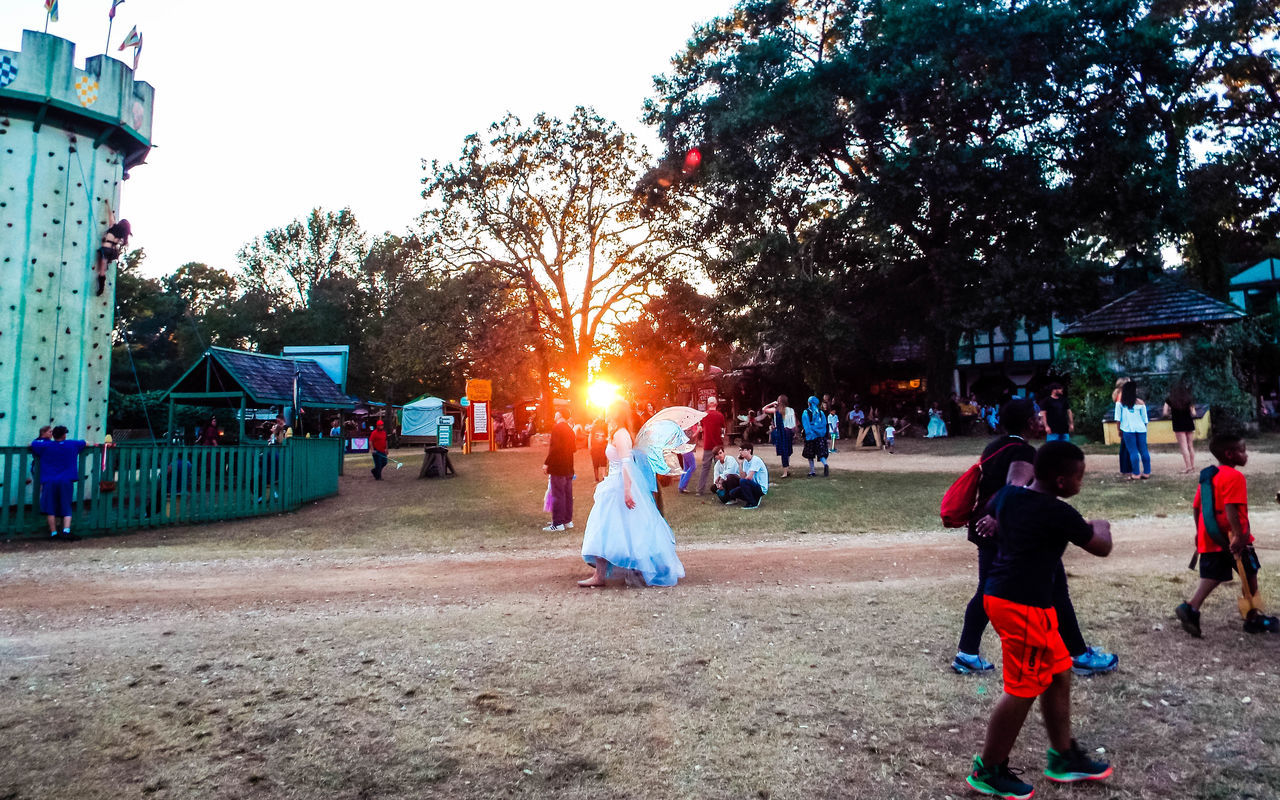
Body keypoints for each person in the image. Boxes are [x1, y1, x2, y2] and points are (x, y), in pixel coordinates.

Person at [965, 441, 1114, 798]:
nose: (1082, 481)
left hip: (1020, 600)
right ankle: (989, 770)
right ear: (1061, 481)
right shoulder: (1057, 512)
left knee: (1060, 671)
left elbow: (993, 509)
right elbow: (1100, 545)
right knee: (1024, 687)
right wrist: (1103, 526)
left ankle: (1063, 757)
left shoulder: (1008, 496)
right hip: (1021, 604)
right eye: (1080, 476)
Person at [953, 399, 1119, 678]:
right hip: (1012, 529)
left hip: (991, 524)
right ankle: (1078, 655)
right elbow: (1015, 486)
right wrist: (998, 518)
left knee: (990, 589)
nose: (1041, 420)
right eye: (1036, 416)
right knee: (1055, 590)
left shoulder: (996, 445)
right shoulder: (1023, 450)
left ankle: (967, 653)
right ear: (1029, 422)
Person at [578, 400, 684, 588]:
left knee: (615, 527)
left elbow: (627, 464)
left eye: (609, 410)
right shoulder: (617, 433)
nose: (606, 413)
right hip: (612, 484)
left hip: (620, 485)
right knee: (605, 527)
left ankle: (610, 573)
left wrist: (627, 491)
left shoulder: (621, 434)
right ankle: (600, 574)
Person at [1175, 434, 1271, 636]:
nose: (1246, 455)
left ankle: (1191, 608)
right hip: (1234, 538)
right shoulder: (1235, 477)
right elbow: (1231, 509)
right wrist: (1239, 536)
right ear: (1230, 454)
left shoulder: (1209, 476)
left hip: (1211, 536)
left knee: (1212, 575)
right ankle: (1253, 618)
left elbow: (1197, 507)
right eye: (1242, 450)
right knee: (1250, 573)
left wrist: (1198, 532)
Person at [29, 426, 89, 541]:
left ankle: (54, 533)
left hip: (49, 480)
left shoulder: (45, 445)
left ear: (53, 435)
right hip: (66, 480)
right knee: (66, 505)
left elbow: (32, 444)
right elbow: (85, 442)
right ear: (64, 435)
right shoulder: (72, 444)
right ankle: (66, 531)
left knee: (50, 507)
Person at [542, 410, 576, 531]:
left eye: (556, 413)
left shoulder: (557, 428)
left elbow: (554, 448)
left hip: (558, 466)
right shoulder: (570, 430)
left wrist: (547, 463)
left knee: (558, 494)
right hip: (568, 466)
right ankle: (567, 520)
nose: (554, 415)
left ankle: (557, 523)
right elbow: (573, 449)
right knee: (567, 494)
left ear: (560, 415)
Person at [1115, 381, 1151, 480]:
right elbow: (1145, 419)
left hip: (1127, 430)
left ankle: (1136, 473)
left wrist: (1119, 430)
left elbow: (1118, 419)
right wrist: (1144, 428)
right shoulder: (1141, 403)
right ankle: (1147, 472)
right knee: (1144, 451)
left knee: (1133, 452)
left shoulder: (1120, 404)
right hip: (1141, 430)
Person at [95, 203, 131, 296]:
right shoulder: (122, 234)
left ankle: (101, 288)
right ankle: (101, 286)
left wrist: (107, 204)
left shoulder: (113, 226)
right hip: (112, 252)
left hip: (105, 249)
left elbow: (110, 216)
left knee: (102, 270)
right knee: (103, 269)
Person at [1164, 381, 1197, 474]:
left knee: (1184, 446)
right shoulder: (1189, 398)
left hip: (1178, 424)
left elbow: (1165, 413)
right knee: (1190, 445)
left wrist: (1171, 412)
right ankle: (1193, 466)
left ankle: (1188, 467)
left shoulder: (1169, 399)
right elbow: (1194, 413)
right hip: (1189, 423)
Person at [695, 396, 726, 495]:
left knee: (705, 468)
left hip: (707, 445)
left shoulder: (704, 415)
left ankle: (700, 490)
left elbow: (700, 428)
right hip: (718, 445)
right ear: (716, 404)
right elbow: (723, 430)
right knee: (721, 468)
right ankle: (721, 488)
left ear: (708, 404)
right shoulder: (720, 415)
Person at [761, 396, 796, 478]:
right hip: (788, 431)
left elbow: (764, 409)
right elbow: (793, 422)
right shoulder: (790, 410)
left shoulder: (776, 410)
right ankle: (786, 470)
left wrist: (772, 403)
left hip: (781, 432)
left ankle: (785, 472)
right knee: (787, 451)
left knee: (784, 451)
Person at [729, 442, 769, 509]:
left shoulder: (755, 460)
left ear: (749, 451)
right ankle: (752, 498)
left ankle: (753, 503)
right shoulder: (745, 462)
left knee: (743, 482)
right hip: (752, 485)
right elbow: (742, 477)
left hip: (760, 488)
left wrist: (743, 481)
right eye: (740, 450)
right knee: (732, 493)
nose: (740, 452)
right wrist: (740, 464)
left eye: (742, 450)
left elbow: (748, 478)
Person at [800, 396, 830, 477]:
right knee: (821, 453)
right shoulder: (821, 413)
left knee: (810, 455)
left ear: (809, 403)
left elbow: (806, 425)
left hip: (811, 437)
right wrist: (821, 434)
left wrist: (809, 435)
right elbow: (824, 424)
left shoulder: (806, 412)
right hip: (820, 437)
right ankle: (825, 464)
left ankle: (812, 471)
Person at [1112, 378, 1132, 476]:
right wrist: (1119, 429)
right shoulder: (1122, 397)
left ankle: (1126, 467)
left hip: (1125, 424)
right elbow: (1119, 416)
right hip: (1126, 425)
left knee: (1125, 447)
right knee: (1127, 447)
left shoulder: (1121, 396)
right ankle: (1127, 468)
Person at [589, 417, 609, 482]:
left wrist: (589, 446)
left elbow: (590, 437)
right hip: (599, 448)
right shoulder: (604, 429)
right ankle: (603, 477)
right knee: (602, 464)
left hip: (597, 448)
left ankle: (598, 478)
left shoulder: (595, 428)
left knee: (596, 464)